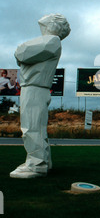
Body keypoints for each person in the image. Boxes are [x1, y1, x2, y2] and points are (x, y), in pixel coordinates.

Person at [10, 13, 71, 178]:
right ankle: (42, 162)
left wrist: (20, 52)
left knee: (31, 127)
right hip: (36, 87)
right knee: (37, 127)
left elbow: (21, 53)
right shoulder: (51, 41)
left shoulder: (51, 40)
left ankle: (36, 165)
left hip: (34, 87)